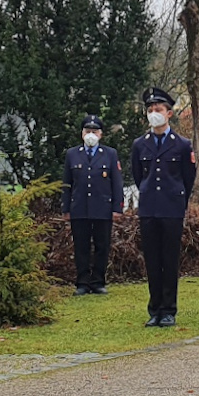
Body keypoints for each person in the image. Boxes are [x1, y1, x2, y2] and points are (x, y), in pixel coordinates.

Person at [130, 86, 195, 327]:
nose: (153, 113)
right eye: (150, 110)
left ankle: (169, 309)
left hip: (171, 209)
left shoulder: (182, 145)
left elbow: (188, 179)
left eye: (158, 109)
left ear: (169, 113)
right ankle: (154, 308)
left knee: (169, 259)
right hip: (149, 209)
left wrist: (178, 202)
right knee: (152, 261)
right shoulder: (140, 144)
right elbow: (139, 176)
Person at [62, 114, 123, 296]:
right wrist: (66, 208)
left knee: (102, 246)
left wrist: (117, 208)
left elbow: (117, 183)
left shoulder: (110, 154)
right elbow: (67, 184)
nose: (91, 134)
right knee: (81, 246)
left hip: (102, 209)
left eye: (94, 131)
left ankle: (98, 281)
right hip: (79, 208)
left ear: (101, 134)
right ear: (82, 133)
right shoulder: (72, 154)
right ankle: (82, 282)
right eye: (87, 131)